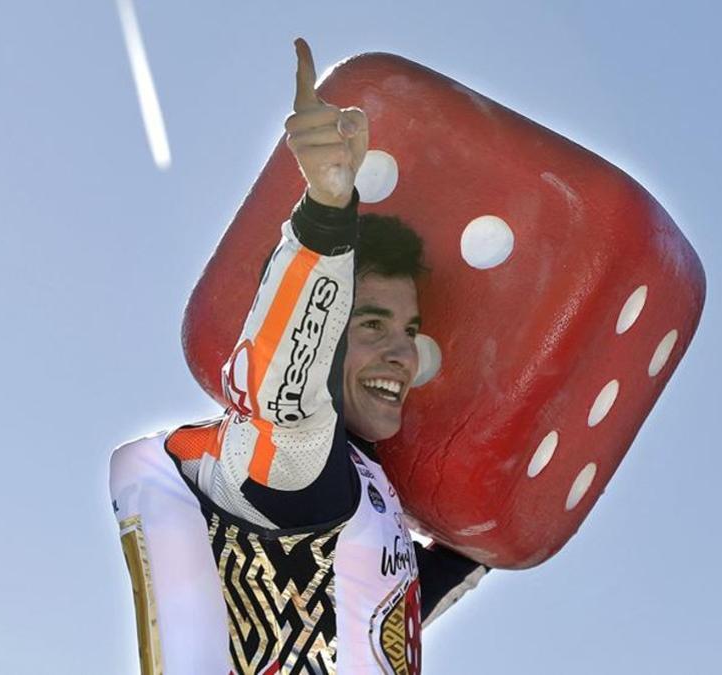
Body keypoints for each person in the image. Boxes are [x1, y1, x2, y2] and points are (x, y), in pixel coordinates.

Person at [110, 39, 484, 675]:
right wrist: (326, 219)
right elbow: (286, 396)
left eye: (410, 329)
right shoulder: (298, 468)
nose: (404, 352)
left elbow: (394, 606)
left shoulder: (360, 495)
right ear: (328, 329)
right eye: (372, 324)